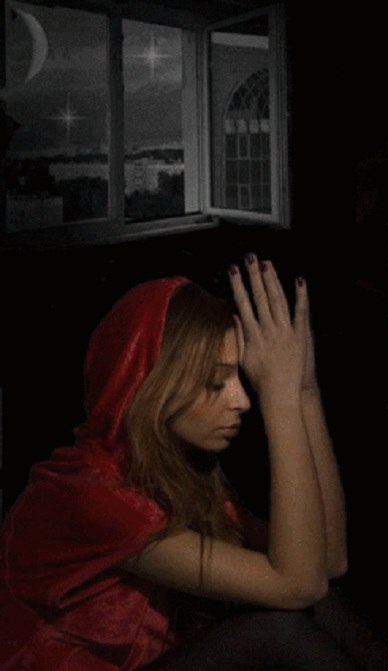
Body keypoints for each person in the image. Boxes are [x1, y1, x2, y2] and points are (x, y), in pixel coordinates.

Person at [0, 255, 356, 670]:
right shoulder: (92, 495)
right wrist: (279, 398)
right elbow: (298, 583)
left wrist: (304, 391)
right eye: (216, 382)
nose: (242, 400)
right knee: (273, 629)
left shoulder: (180, 477)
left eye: (239, 378)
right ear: (154, 385)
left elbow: (327, 561)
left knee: (320, 608)